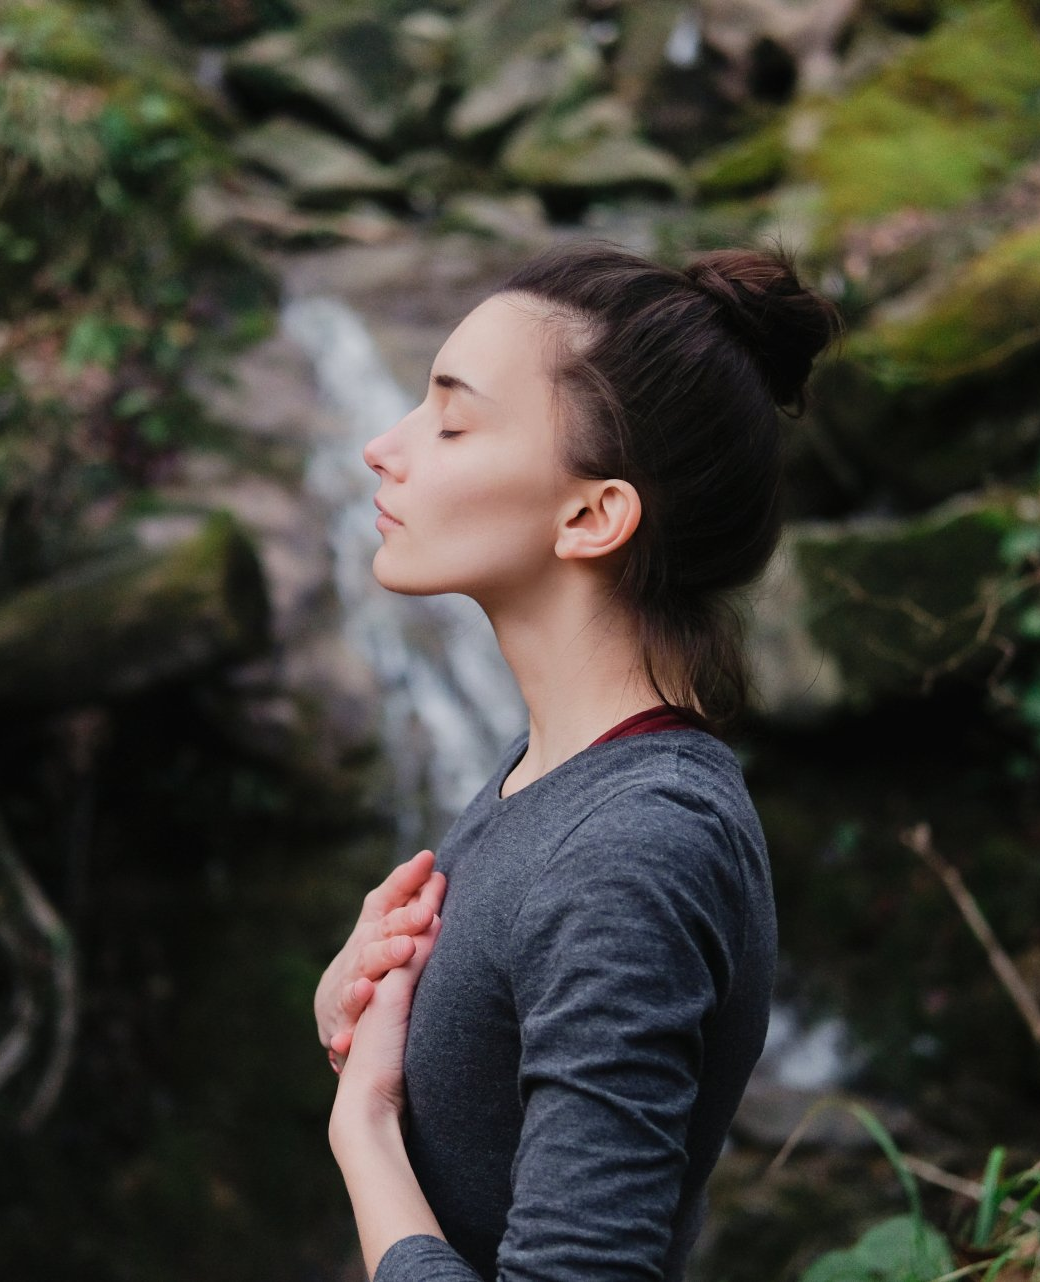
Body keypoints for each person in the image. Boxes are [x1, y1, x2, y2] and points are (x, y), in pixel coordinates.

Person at [313, 242, 840, 1281]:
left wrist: (364, 1130)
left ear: (592, 515)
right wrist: (371, 1021)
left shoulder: (631, 848)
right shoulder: (551, 768)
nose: (382, 446)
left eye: (451, 421)